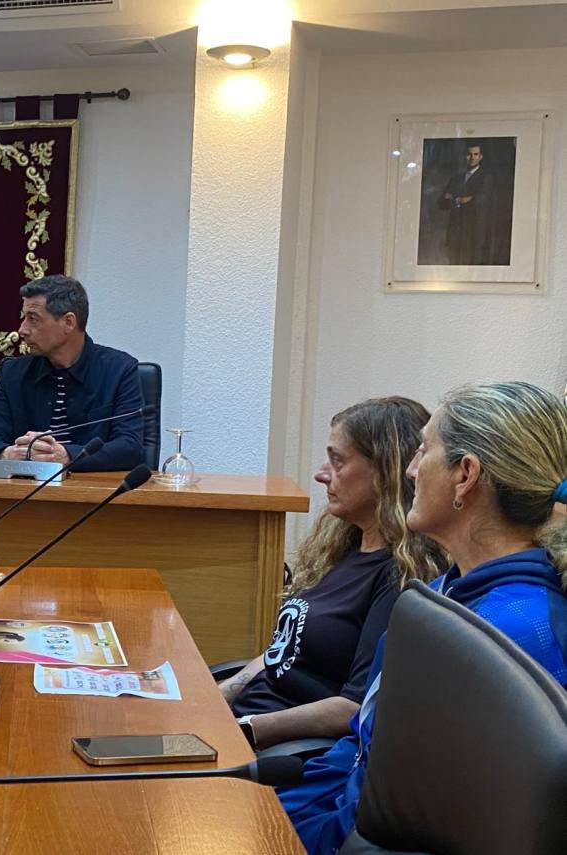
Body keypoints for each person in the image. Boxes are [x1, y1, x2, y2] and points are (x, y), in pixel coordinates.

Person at [279, 381, 567, 854]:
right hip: (338, 812)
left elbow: (407, 821)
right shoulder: (443, 591)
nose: (410, 470)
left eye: (423, 451)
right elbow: (362, 748)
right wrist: (276, 806)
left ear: (465, 475)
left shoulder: (502, 635)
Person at [220, 397, 445, 750]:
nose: (321, 474)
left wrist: (240, 729)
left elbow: (353, 707)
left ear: (385, 472)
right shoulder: (344, 547)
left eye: (338, 461)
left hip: (280, 749)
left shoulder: (399, 576)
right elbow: (281, 652)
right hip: (246, 723)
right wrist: (218, 697)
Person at [0, 275, 143, 472]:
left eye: (33, 319)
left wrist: (67, 456)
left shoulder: (119, 370)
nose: (22, 330)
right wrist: (7, 454)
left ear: (68, 322)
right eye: (24, 318)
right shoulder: (14, 373)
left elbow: (130, 447)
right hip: (27, 486)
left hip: (91, 487)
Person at [437, 141, 496, 265]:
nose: (472, 157)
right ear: (465, 156)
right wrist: (460, 200)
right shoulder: (456, 179)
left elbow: (481, 202)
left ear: (481, 157)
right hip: (455, 233)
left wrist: (454, 198)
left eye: (476, 154)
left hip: (474, 233)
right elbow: (441, 203)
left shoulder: (486, 178)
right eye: (469, 154)